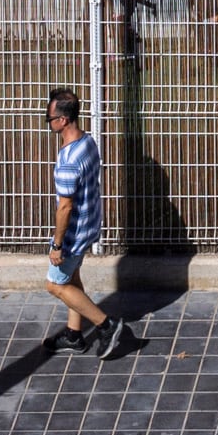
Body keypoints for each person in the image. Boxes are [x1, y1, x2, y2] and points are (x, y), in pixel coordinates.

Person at [43, 87, 136, 360]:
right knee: (72, 278)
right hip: (91, 222)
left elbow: (65, 206)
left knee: (55, 285)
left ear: (62, 120)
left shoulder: (68, 161)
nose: (49, 123)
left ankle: (107, 325)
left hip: (73, 233)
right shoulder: (88, 142)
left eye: (50, 118)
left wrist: (57, 244)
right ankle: (74, 335)